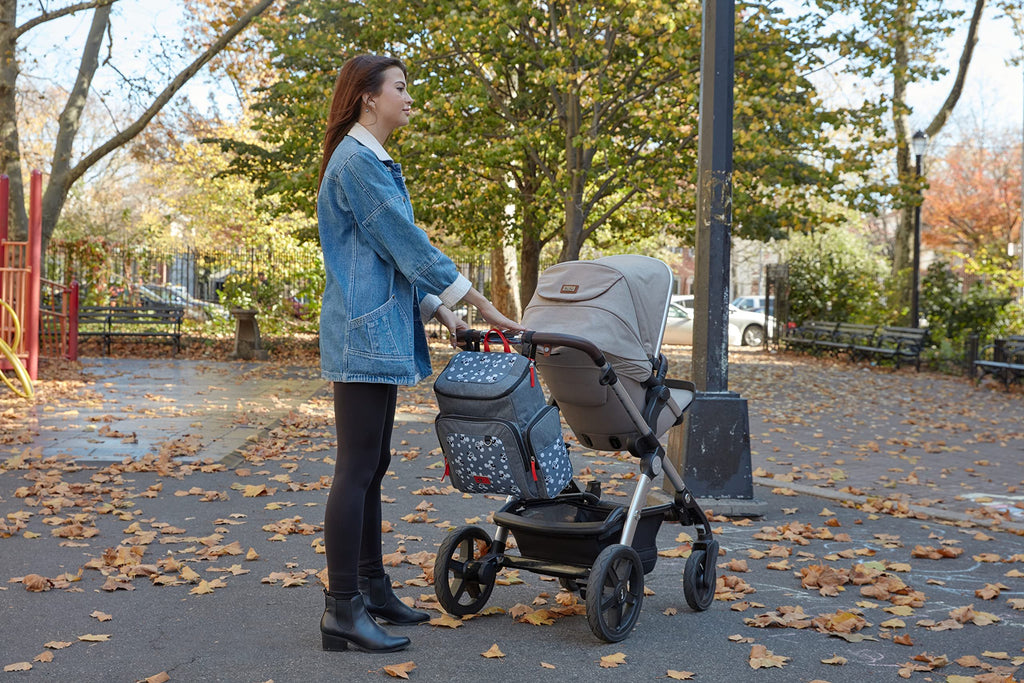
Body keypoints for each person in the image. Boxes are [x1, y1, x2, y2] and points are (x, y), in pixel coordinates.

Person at [315, 54, 523, 653]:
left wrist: (441, 310)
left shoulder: (365, 160)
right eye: (401, 89)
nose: (409, 98)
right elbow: (406, 243)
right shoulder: (357, 162)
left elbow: (385, 254)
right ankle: (341, 608)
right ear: (368, 97)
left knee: (371, 463)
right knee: (355, 468)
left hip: (372, 328)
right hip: (362, 333)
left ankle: (372, 590)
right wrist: (478, 302)